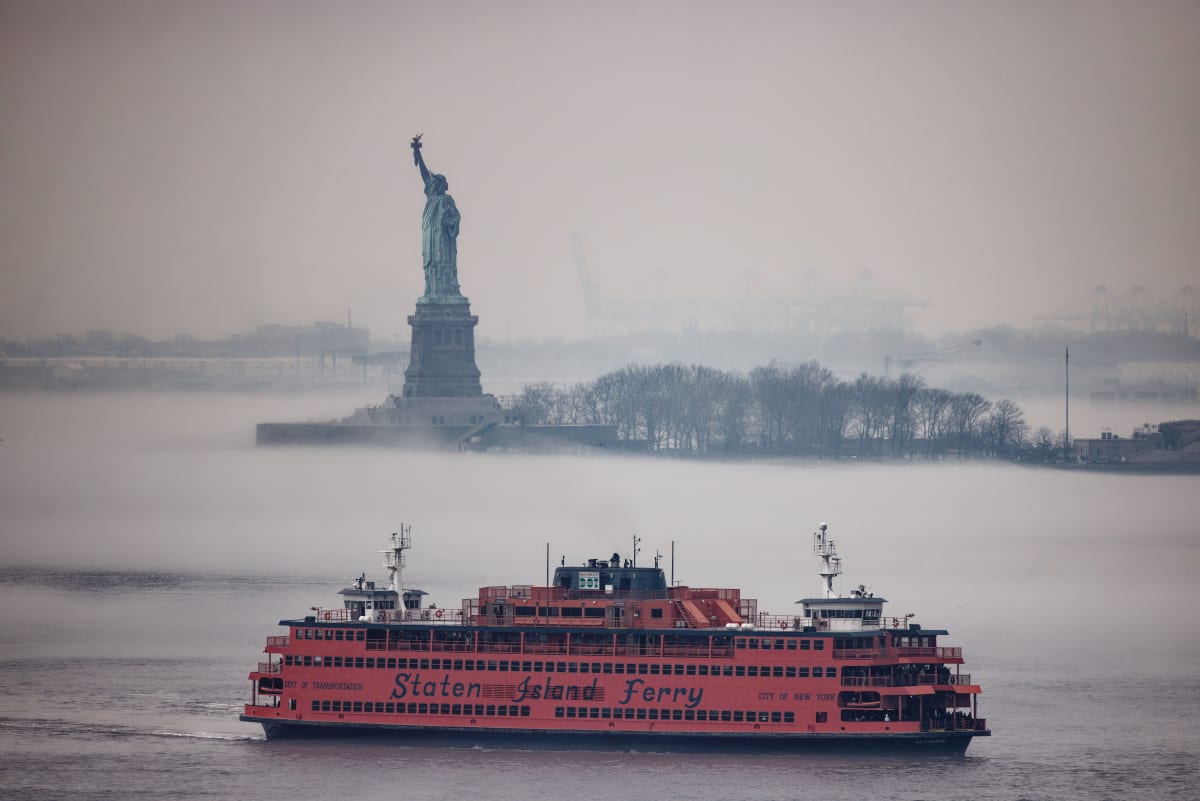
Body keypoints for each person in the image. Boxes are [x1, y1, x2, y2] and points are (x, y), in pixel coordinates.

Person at [411, 134, 462, 299]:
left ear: (440, 185)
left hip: (442, 239)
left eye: (434, 183)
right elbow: (424, 174)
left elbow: (456, 218)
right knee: (431, 262)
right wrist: (418, 153)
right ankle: (430, 289)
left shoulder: (447, 200)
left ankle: (447, 290)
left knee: (442, 262)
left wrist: (449, 222)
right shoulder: (432, 199)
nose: (430, 184)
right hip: (430, 237)